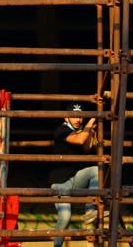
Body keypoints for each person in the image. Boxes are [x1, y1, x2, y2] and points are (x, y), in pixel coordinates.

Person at [49, 104, 99, 247]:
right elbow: (79, 140)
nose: (77, 119)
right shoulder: (62, 130)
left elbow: (86, 147)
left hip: (74, 179)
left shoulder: (79, 131)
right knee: (65, 217)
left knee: (95, 170)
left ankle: (90, 210)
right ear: (66, 117)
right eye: (73, 116)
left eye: (80, 116)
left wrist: (91, 131)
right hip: (60, 182)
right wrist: (90, 123)